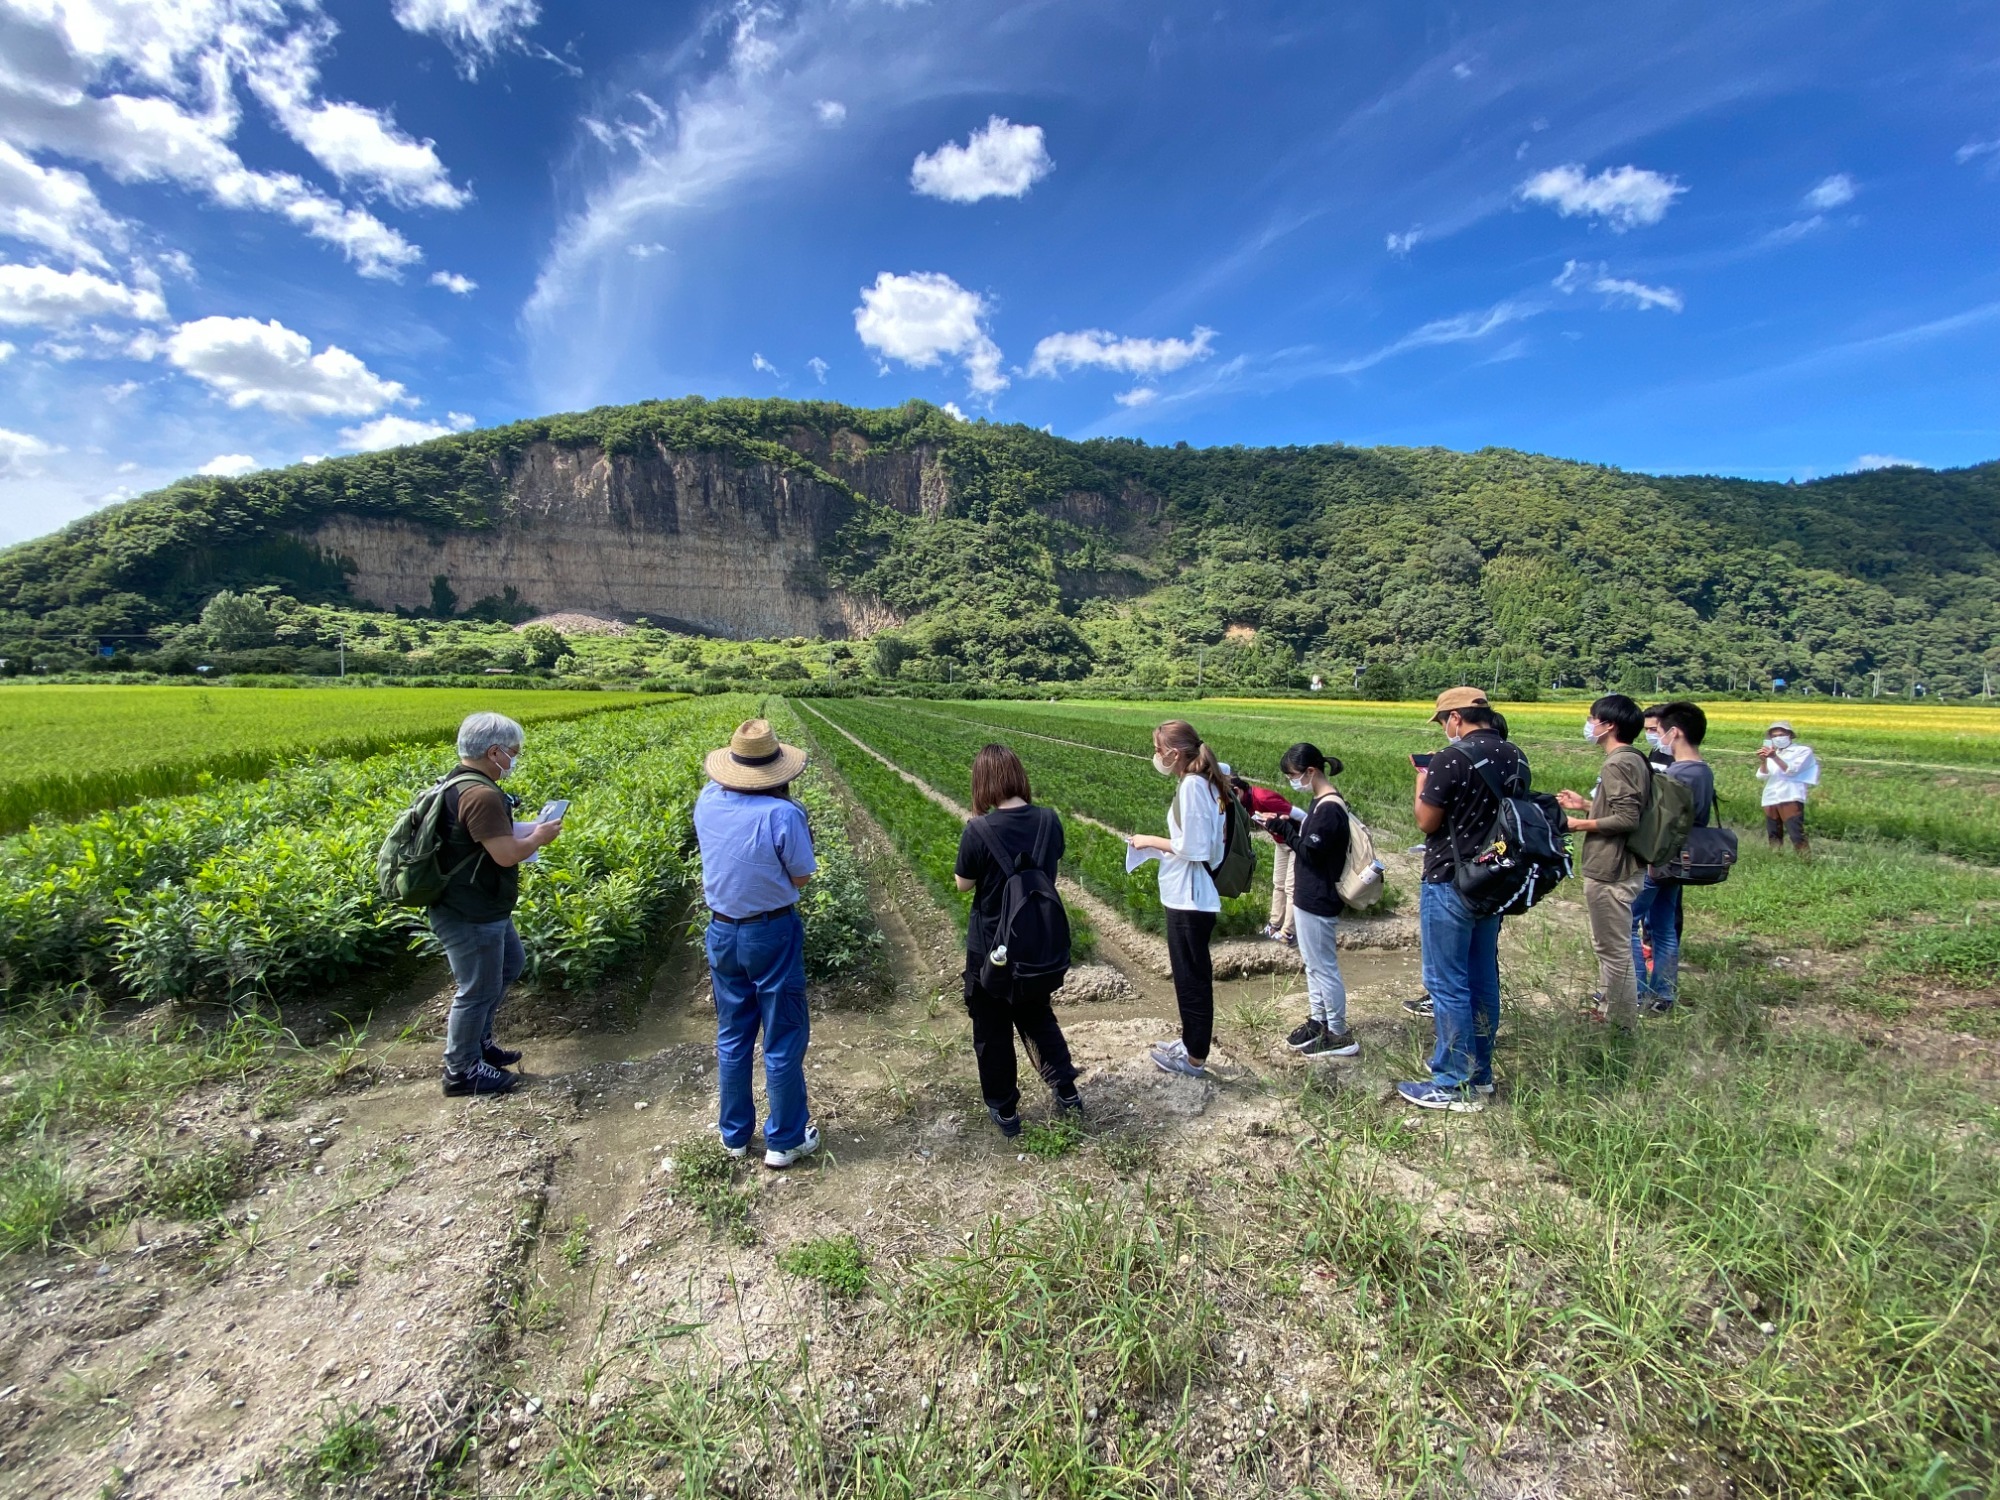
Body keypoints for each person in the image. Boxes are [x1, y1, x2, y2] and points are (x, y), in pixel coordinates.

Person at [693, 719, 821, 1170]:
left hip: (722, 931)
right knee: (782, 1034)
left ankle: (733, 1135)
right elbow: (801, 876)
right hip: (771, 931)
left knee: (733, 1033)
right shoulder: (782, 814)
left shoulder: (707, 801)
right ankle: (785, 1140)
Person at [1400, 687, 1525, 1111]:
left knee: (1446, 981)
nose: (1444, 729)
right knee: (1482, 977)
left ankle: (1453, 1082)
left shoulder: (1449, 759)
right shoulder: (1515, 755)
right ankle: (1481, 1074)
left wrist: (1422, 778)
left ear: (1455, 718)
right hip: (1493, 877)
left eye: (1442, 722)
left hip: (1451, 879)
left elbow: (1426, 820)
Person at [953, 744, 1082, 1137]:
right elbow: (1048, 872)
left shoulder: (978, 829)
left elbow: (962, 885)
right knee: (1037, 1015)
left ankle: (1006, 1112)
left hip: (991, 949)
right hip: (1035, 943)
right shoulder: (1049, 820)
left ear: (983, 783)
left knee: (991, 1029)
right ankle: (1066, 1090)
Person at [433, 712, 563, 1097]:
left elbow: (486, 840)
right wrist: (538, 837)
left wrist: (524, 830)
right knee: (476, 988)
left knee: (510, 965)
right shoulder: (482, 794)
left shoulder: (461, 783)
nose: (514, 759)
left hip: (481, 905)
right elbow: (506, 855)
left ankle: (480, 1043)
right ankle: (462, 1071)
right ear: (495, 752)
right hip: (469, 911)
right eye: (513, 752)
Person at [1128, 720, 1229, 1079]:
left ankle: (1195, 1058)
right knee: (1190, 975)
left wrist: (1149, 841)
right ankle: (1190, 1043)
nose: (1156, 756)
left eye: (1158, 749)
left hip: (1190, 899)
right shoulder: (1206, 780)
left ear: (1174, 752)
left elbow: (1194, 847)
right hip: (1191, 895)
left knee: (1192, 979)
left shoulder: (1192, 786)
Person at [1556, 695, 1650, 1028]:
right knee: (1611, 945)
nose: (1589, 724)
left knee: (1613, 949)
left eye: (1592, 718)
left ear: (1609, 725)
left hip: (1612, 869)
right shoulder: (1632, 758)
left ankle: (1621, 1023)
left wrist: (1580, 824)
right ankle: (1609, 1009)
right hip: (1622, 865)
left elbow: (1627, 818)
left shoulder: (1618, 762)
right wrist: (1586, 806)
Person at [1265, 744, 1359, 1059]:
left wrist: (1286, 832)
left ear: (1311, 772)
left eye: (1293, 775)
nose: (1292, 781)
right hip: (1309, 897)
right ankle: (1319, 1021)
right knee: (1313, 967)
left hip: (1320, 899)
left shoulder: (1330, 807)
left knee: (1324, 968)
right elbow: (1311, 843)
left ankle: (1339, 1033)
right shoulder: (1319, 803)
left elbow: (1311, 853)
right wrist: (1289, 827)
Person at [1632, 702, 1717, 1013]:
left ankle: (1636, 992)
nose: (1658, 737)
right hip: (1683, 861)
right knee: (1665, 928)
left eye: (1660, 731)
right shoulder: (1704, 771)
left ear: (1675, 732)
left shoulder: (1677, 773)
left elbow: (1658, 821)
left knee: (1627, 922)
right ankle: (1663, 996)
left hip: (1660, 860)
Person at [1230, 773, 1298, 945]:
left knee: (1291, 888)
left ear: (1237, 791)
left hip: (1296, 842)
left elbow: (1299, 814)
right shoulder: (1246, 802)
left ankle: (1289, 932)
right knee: (1278, 884)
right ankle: (1274, 925)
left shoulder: (1263, 797)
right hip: (1280, 842)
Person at [1756, 719, 1819, 855]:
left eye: (1781, 735)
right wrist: (1764, 760)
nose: (1778, 738)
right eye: (1774, 736)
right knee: (1773, 833)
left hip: (1790, 795)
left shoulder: (1802, 751)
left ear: (1789, 735)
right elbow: (1762, 776)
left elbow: (1792, 770)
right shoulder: (1771, 753)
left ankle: (1806, 861)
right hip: (1770, 796)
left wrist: (1774, 757)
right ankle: (1776, 859)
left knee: (1796, 832)